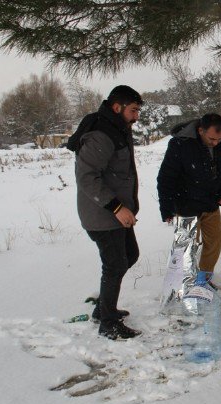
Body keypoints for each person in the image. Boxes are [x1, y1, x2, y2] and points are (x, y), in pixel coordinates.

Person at [75, 85, 143, 340]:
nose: (137, 116)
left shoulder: (116, 129)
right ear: (117, 107)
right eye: (133, 110)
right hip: (103, 215)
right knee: (115, 264)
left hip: (116, 213)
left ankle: (103, 308)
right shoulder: (101, 134)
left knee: (129, 255)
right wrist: (116, 207)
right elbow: (87, 177)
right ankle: (108, 322)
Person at [157, 113, 221, 286]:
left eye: (219, 139)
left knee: (214, 242)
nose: (216, 143)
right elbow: (166, 177)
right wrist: (166, 208)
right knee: (184, 247)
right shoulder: (180, 143)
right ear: (200, 130)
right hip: (185, 204)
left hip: (210, 202)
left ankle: (203, 280)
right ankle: (181, 284)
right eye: (212, 139)